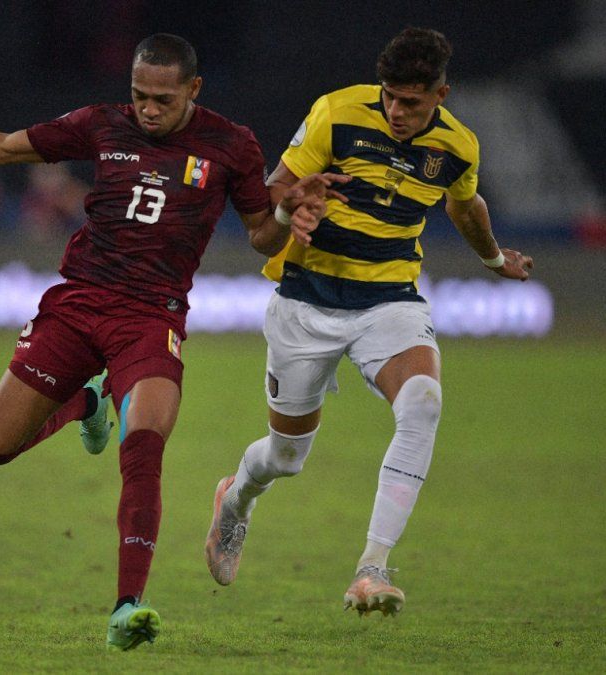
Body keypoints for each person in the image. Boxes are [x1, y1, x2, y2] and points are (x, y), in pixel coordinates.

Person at [0, 34, 344, 650]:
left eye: (162, 99)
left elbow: (262, 233)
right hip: (78, 304)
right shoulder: (101, 125)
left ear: (194, 89)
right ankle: (88, 403)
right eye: (139, 95)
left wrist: (288, 215)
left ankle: (128, 606)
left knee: (144, 444)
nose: (148, 109)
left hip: (151, 318)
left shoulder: (231, 144)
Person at [204, 27, 534, 617]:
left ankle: (372, 567)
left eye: (411, 101)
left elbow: (464, 205)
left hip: (389, 300)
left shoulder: (459, 147)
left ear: (440, 95)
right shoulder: (336, 113)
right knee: (285, 457)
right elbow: (276, 190)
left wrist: (492, 259)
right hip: (306, 300)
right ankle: (235, 500)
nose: (396, 111)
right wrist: (293, 208)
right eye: (389, 96)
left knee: (424, 402)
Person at [18, 163, 89, 242]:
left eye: (56, 173)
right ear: (32, 176)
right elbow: (36, 232)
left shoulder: (74, 193)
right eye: (45, 174)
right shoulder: (32, 200)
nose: (50, 181)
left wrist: (72, 209)